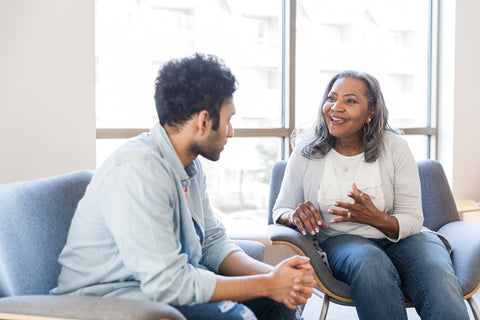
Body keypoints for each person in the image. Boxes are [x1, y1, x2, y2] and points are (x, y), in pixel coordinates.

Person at [51, 53, 316, 320]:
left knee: (280, 304)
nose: (231, 131)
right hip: (107, 302)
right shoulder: (139, 171)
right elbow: (169, 284)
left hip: (157, 292)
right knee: (236, 316)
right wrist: (269, 284)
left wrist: (275, 276)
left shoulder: (189, 164)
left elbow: (212, 241)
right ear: (203, 121)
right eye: (228, 120)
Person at [273, 70, 469, 320]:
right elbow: (280, 210)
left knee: (436, 268)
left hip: (406, 238)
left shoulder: (395, 147)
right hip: (342, 240)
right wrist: (295, 215)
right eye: (332, 98)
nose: (336, 107)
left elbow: (412, 219)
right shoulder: (307, 150)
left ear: (371, 112)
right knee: (371, 263)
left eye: (350, 101)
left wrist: (375, 218)